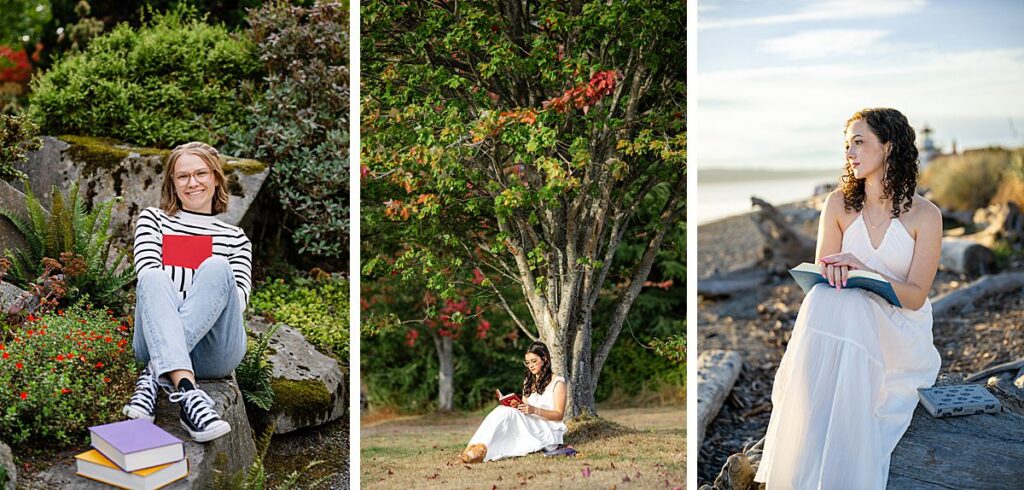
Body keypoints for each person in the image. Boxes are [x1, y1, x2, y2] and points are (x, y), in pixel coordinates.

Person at [754, 108, 943, 489]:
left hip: (899, 330)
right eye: (847, 145)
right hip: (844, 320)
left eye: (860, 142)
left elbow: (916, 296)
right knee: (823, 298)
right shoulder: (838, 205)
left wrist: (866, 272)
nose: (850, 153)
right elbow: (825, 275)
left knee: (850, 302)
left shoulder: (926, 215)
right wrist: (835, 272)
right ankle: (810, 420)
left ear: (888, 148)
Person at [121, 142, 252, 443]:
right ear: (172, 184)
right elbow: (149, 281)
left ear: (216, 178)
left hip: (213, 352)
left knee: (218, 268)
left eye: (201, 173)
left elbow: (238, 300)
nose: (192, 183)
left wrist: (198, 287)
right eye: (182, 177)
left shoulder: (235, 238)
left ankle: (155, 374)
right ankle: (189, 395)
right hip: (153, 338)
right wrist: (196, 294)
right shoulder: (153, 220)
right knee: (153, 276)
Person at [457, 341, 568, 463]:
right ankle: (472, 449)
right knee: (502, 410)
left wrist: (534, 410)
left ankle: (478, 451)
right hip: (530, 423)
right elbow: (524, 407)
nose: (530, 366)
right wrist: (515, 405)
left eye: (534, 361)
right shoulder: (528, 381)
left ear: (545, 359)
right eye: (528, 362)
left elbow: (559, 415)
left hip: (547, 429)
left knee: (504, 412)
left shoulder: (558, 382)